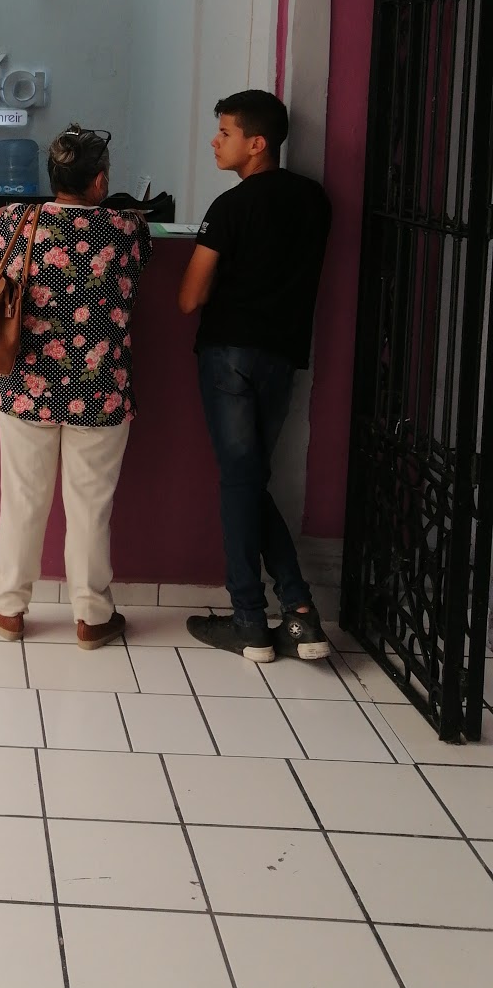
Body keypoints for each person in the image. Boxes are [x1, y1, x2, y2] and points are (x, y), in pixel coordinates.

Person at [0, 125, 152, 649]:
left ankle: (9, 608)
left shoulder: (17, 220)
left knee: (23, 499)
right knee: (91, 506)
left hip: (28, 386)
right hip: (100, 391)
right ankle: (92, 616)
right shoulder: (128, 229)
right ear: (99, 181)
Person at [178, 89, 332, 663]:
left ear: (257, 143)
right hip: (282, 357)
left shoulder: (231, 205)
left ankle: (249, 620)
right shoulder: (315, 201)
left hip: (229, 357)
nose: (215, 142)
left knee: (240, 483)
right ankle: (299, 614)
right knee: (249, 481)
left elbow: (189, 298)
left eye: (225, 133)